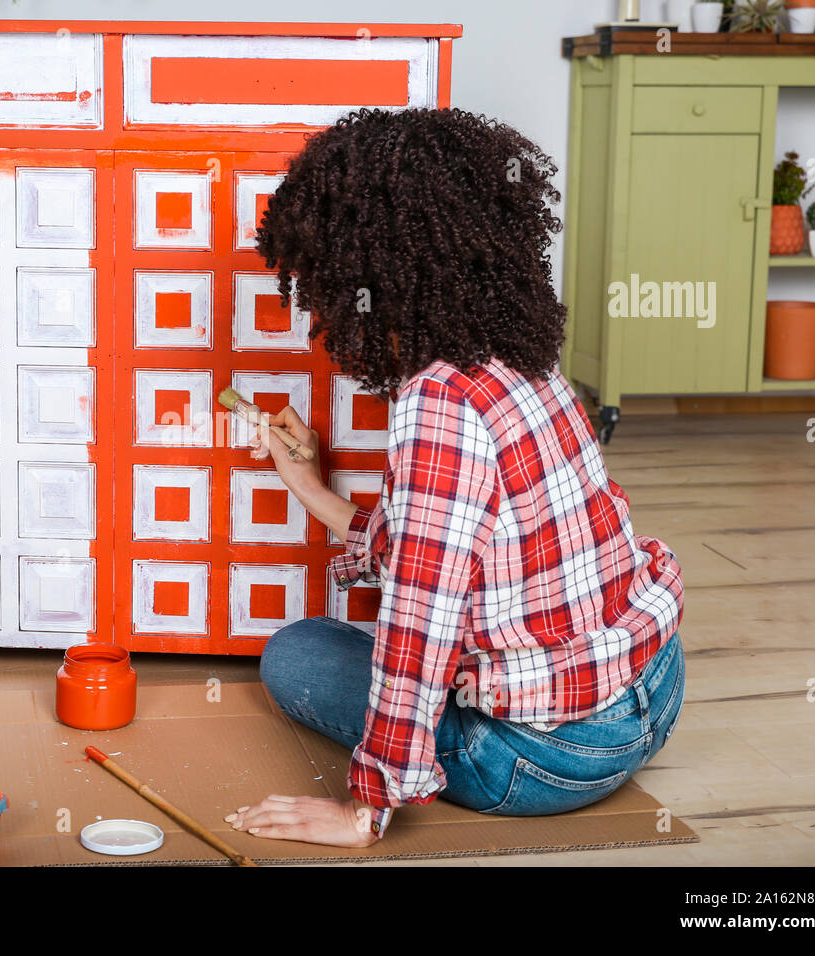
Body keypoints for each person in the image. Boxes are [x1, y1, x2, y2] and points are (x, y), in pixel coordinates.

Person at [225, 108, 685, 848]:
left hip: (551, 756)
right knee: (372, 642)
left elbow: (420, 613)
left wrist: (365, 806)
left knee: (298, 652)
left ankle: (442, 764)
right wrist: (310, 487)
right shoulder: (521, 352)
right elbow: (438, 542)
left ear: (362, 268)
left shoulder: (437, 402)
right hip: (654, 689)